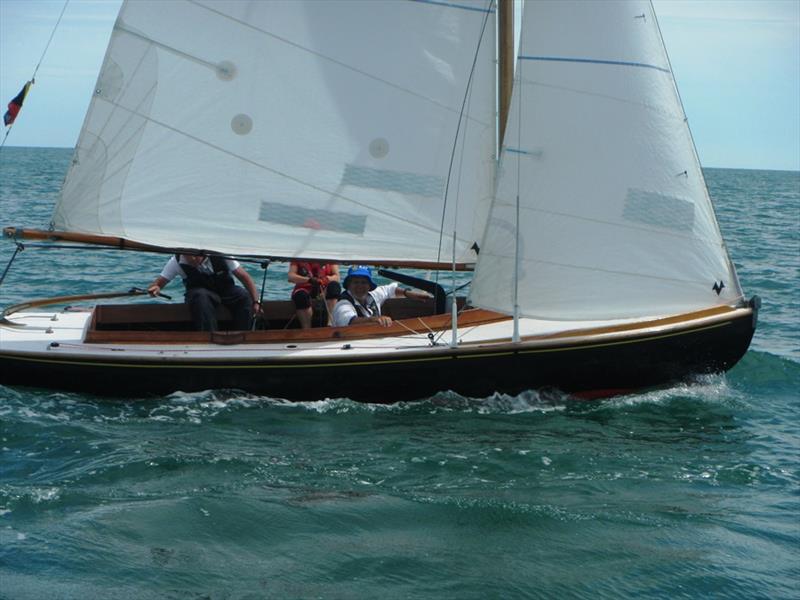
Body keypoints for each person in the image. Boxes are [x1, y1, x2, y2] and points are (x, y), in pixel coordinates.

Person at [147, 253, 261, 331]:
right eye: (188, 257)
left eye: (195, 256)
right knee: (201, 297)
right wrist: (156, 288)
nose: (193, 260)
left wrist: (256, 302)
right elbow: (158, 283)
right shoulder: (176, 261)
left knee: (243, 296)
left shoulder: (221, 255)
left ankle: (245, 334)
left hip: (225, 290)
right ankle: (208, 337)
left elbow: (245, 278)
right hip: (200, 293)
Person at [332, 265, 430, 328]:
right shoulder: (343, 304)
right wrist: (374, 319)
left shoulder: (372, 295)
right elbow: (350, 321)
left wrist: (408, 293)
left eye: (364, 282)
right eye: (355, 282)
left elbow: (390, 289)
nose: (360, 286)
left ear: (369, 285)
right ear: (349, 285)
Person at [287, 261, 341, 328]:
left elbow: (337, 277)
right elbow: (291, 277)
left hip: (324, 290)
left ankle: (330, 324)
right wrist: (308, 280)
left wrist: (325, 279)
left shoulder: (330, 259)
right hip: (305, 288)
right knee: (301, 296)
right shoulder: (298, 259)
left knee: (334, 287)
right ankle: (307, 329)